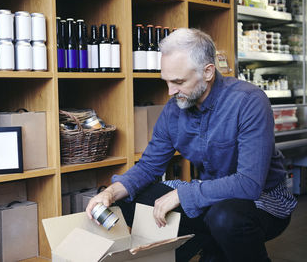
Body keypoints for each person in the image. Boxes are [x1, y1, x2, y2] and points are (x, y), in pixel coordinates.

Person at [86, 28, 297, 262]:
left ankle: (215, 244)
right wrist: (110, 193)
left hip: (262, 201)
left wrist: (184, 194)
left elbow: (249, 184)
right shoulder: (174, 108)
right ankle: (206, 243)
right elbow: (148, 167)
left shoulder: (249, 101)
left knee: (224, 218)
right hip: (209, 195)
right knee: (128, 197)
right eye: (166, 81)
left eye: (178, 81)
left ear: (208, 72)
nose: (170, 91)